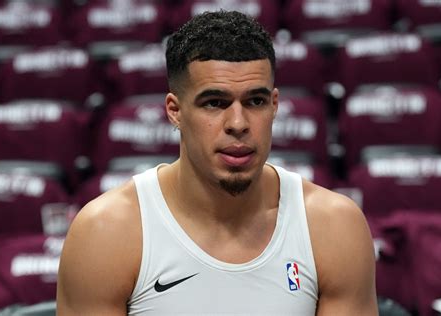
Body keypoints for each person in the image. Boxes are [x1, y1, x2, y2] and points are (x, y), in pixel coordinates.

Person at [57, 10, 378, 315]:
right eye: (214, 103)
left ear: (275, 105)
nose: (238, 123)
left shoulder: (333, 227)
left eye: (255, 101)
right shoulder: (106, 233)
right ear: (175, 110)